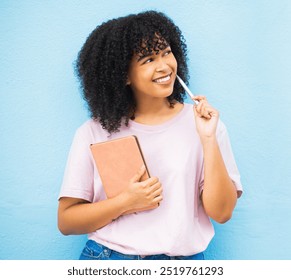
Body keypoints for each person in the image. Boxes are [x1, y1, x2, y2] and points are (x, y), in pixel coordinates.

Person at [57, 10, 243, 260]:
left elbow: (222, 213)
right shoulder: (93, 131)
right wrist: (125, 202)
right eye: (148, 60)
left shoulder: (206, 124)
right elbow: (67, 221)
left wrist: (208, 140)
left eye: (166, 52)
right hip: (109, 259)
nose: (164, 65)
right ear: (123, 75)